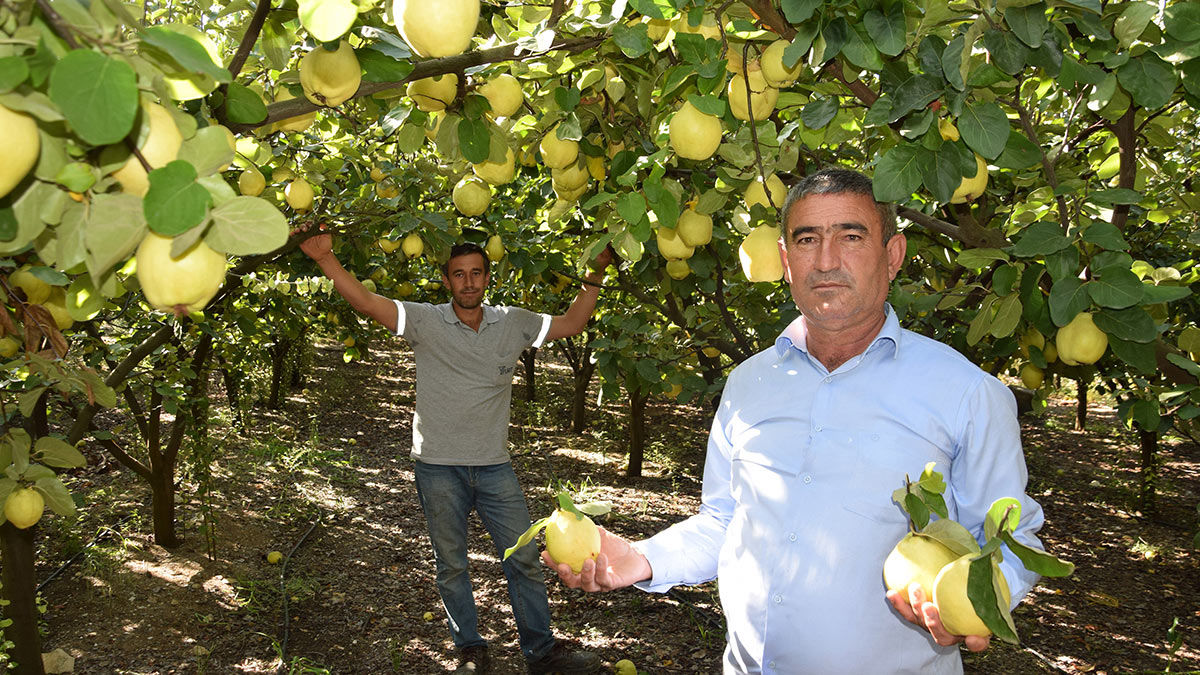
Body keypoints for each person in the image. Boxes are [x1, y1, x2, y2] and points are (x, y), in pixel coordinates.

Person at [544, 168, 1047, 674]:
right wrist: (643, 558)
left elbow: (1013, 535)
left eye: (851, 236)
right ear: (785, 261)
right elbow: (724, 520)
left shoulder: (966, 394)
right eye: (807, 240)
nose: (826, 261)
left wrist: (978, 604)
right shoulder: (747, 384)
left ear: (892, 256)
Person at [299, 225, 611, 675]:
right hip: (438, 467)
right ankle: (469, 648)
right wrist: (326, 260)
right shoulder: (426, 320)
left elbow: (571, 324)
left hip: (494, 467)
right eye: (459, 274)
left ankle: (541, 654)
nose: (468, 282)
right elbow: (368, 303)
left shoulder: (514, 322)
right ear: (447, 281)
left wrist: (594, 278)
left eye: (476, 273)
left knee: (523, 557)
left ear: (488, 278)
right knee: (451, 563)